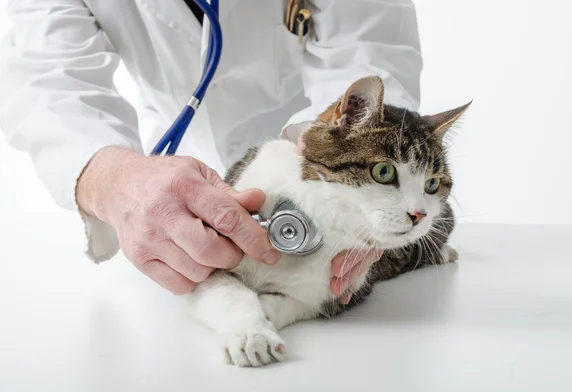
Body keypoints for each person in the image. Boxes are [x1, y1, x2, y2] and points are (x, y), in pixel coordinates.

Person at [0, 1, 423, 298]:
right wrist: (112, 178)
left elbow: (370, 53)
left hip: (312, 161)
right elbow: (47, 78)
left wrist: (363, 188)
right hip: (172, 173)